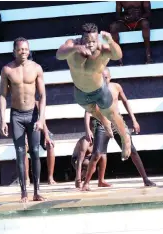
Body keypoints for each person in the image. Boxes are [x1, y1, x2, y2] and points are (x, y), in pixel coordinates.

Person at [56, 23, 132, 161]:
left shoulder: (102, 48)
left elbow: (118, 55)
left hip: (99, 90)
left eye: (93, 41)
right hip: (80, 92)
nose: (91, 44)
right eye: (87, 41)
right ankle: (105, 123)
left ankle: (125, 138)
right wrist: (75, 48)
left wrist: (110, 41)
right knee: (92, 110)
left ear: (97, 39)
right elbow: (59, 55)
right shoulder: (72, 44)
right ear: (81, 38)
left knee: (113, 114)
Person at [81, 68, 156, 191]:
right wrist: (87, 129)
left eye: (106, 77)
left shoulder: (116, 87)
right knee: (96, 154)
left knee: (132, 150)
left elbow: (125, 102)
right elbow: (88, 111)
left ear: (110, 77)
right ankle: (86, 183)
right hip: (102, 124)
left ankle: (145, 179)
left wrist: (134, 120)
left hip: (117, 122)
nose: (103, 80)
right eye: (101, 77)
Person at [0, 37, 46, 202]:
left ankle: (37, 191)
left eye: (25, 49)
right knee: (20, 153)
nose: (23, 52)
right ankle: (24, 192)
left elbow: (43, 95)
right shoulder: (7, 70)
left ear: (29, 50)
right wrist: (2, 120)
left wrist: (41, 119)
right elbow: (3, 95)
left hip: (32, 114)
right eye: (20, 50)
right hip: (17, 115)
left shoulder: (37, 68)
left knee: (34, 152)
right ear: (14, 51)